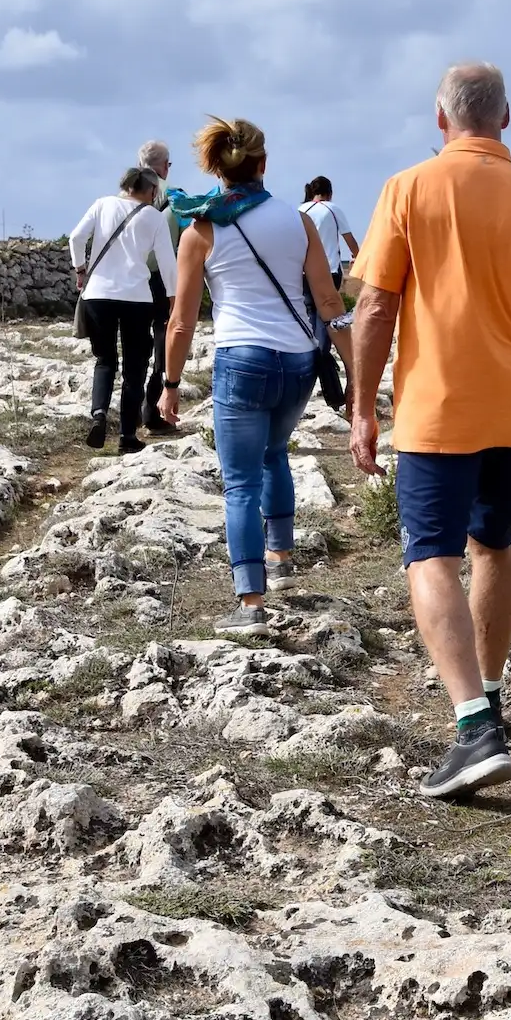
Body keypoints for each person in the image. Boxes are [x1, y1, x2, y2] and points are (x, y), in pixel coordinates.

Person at [348, 62, 511, 800]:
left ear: (439, 119)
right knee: (493, 544)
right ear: (505, 119)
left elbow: (372, 310)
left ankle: (471, 731)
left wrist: (363, 408)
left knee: (430, 556)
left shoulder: (408, 189)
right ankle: (489, 694)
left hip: (435, 411)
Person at [161, 117, 346, 635]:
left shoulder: (201, 229)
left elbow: (181, 321)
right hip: (298, 360)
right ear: (264, 164)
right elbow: (329, 302)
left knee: (239, 483)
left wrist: (171, 385)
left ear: (218, 168)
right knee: (275, 455)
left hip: (242, 359)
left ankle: (250, 604)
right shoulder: (298, 221)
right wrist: (358, 374)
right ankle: (282, 557)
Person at [69, 165, 178, 454]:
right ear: (152, 190)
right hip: (136, 297)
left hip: (97, 296)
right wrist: (172, 295)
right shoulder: (154, 217)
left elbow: (76, 238)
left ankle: (99, 415)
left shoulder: (102, 204)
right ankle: (127, 436)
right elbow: (167, 261)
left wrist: (80, 269)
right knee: (134, 369)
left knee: (105, 360)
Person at [300, 176, 360, 414]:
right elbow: (349, 240)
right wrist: (359, 257)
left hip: (302, 275)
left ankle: (321, 388)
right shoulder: (332, 210)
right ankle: (334, 392)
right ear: (329, 193)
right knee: (328, 330)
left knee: (313, 329)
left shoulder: (299, 210)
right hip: (329, 272)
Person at [136, 138, 178, 433]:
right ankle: (152, 412)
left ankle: (131, 418)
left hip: (130, 279)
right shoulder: (172, 196)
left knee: (136, 347)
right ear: (165, 166)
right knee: (163, 343)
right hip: (161, 279)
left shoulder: (123, 195)